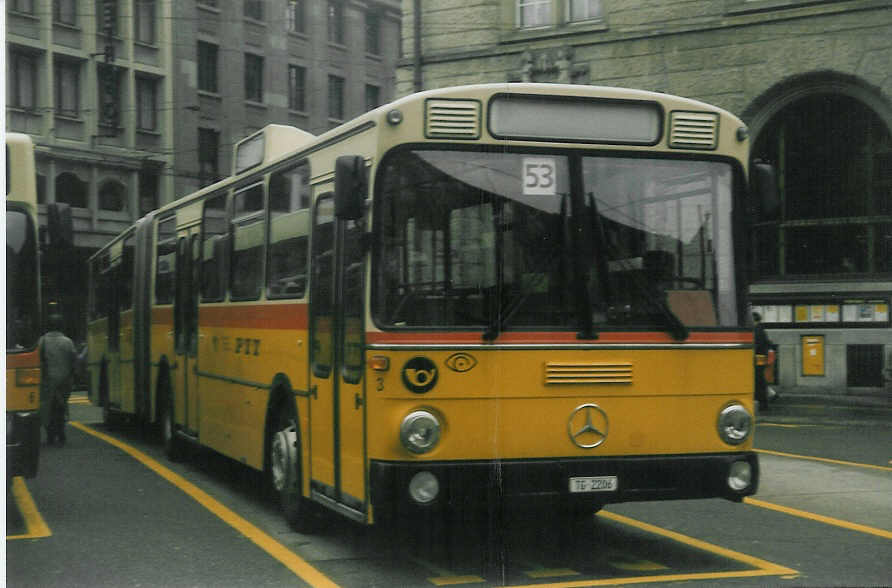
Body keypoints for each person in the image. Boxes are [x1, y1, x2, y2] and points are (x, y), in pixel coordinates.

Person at [39, 312, 77, 446]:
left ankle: (50, 434)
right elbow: (74, 360)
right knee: (61, 407)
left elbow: (39, 360)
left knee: (47, 408)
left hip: (47, 381)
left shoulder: (42, 341)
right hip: (64, 381)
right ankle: (61, 433)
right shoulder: (67, 342)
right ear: (61, 326)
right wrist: (72, 376)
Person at [753, 312, 777, 409]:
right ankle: (770, 395)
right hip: (761, 358)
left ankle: (764, 402)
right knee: (759, 380)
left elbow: (757, 345)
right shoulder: (760, 329)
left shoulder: (757, 330)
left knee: (758, 381)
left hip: (758, 358)